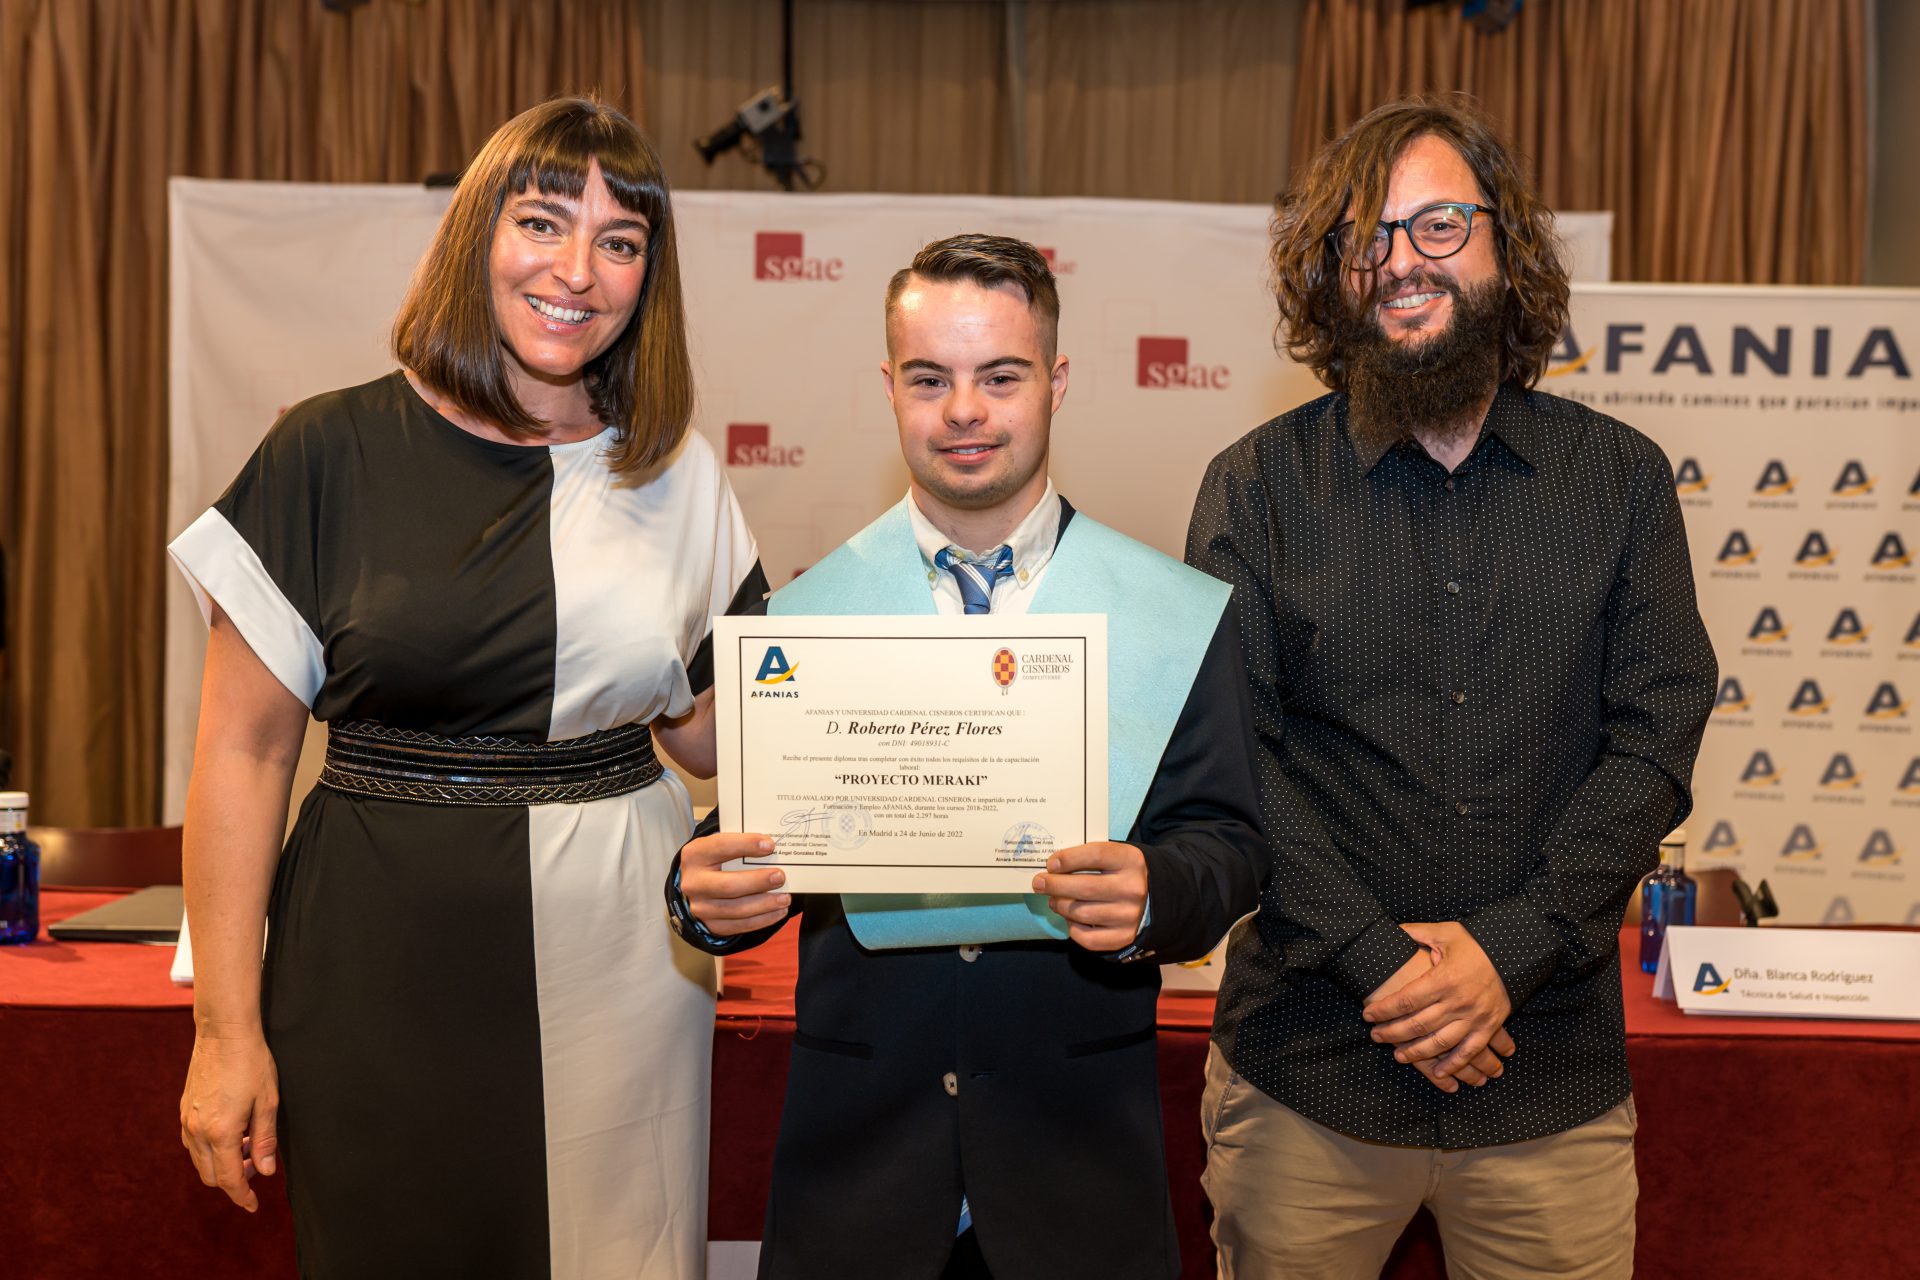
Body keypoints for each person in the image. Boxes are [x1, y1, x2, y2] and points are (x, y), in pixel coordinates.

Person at [170, 96, 764, 1278]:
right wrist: (225, 1032)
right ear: (474, 238)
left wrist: (942, 724)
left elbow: (715, 735)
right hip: (374, 956)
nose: (576, 270)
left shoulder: (677, 474)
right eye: (542, 222)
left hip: (626, 961)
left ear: (651, 275)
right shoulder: (325, 453)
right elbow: (241, 755)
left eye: (620, 241)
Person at [1187, 96, 1717, 1279]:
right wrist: (1392, 967)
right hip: (1308, 1076)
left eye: (1438, 226)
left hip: (1550, 1079)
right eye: (1366, 238)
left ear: (1503, 247)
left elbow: (1656, 735)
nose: (1402, 263)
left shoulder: (1619, 481)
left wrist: (1508, 951)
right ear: (1329, 275)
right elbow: (1235, 751)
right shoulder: (1257, 486)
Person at [670, 234, 1267, 1279]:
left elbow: (1230, 842)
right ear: (890, 387)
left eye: (1000, 375)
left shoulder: (1168, 613)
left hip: (1075, 1166)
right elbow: (757, 835)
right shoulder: (803, 617)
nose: (964, 410)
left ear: (1056, 381)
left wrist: (1156, 891)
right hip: (860, 1174)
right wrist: (698, 888)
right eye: (930, 378)